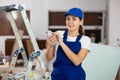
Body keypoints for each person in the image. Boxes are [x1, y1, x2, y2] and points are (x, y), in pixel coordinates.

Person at [46, 7, 91, 80]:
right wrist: (51, 45)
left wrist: (61, 43)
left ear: (81, 21)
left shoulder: (85, 40)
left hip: (76, 77)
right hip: (58, 76)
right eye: (68, 18)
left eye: (74, 19)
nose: (70, 22)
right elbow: (48, 58)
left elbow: (77, 61)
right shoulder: (59, 33)